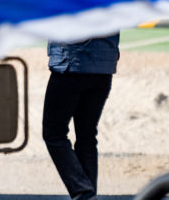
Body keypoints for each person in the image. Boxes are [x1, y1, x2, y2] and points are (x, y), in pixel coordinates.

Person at [42, 34, 120, 200]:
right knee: (87, 136)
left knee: (53, 133)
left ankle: (83, 191)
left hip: (71, 64)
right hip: (104, 68)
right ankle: (88, 194)